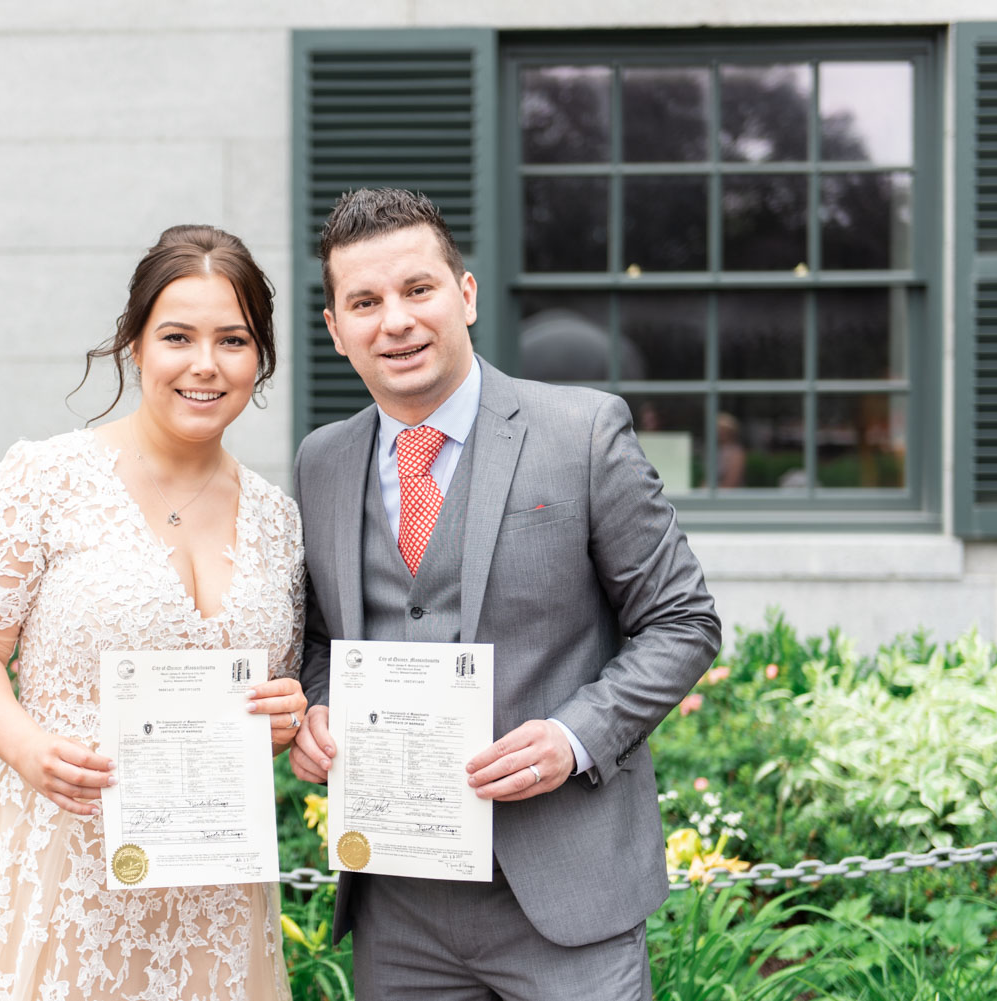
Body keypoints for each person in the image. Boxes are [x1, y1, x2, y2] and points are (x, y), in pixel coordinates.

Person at [288, 189, 720, 1001]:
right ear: (336, 330)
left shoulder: (582, 432)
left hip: (567, 897)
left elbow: (683, 620)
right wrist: (315, 708)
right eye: (366, 302)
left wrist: (574, 735)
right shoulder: (322, 461)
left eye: (419, 289)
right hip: (399, 901)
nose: (397, 321)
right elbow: (319, 638)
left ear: (466, 295)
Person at [0, 225, 307, 1001]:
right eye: (177, 336)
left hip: (210, 897)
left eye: (233, 338)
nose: (205, 363)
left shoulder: (279, 519)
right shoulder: (46, 476)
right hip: (55, 864)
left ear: (259, 355)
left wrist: (286, 713)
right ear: (134, 344)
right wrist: (28, 747)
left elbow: (276, 693)